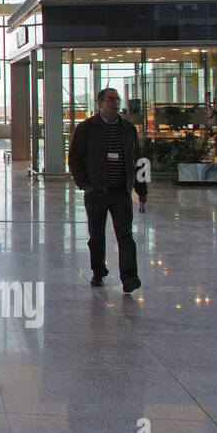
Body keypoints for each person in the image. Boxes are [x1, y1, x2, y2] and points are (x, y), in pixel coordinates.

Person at [68, 87, 148, 293]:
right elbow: (75, 158)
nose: (115, 103)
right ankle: (98, 271)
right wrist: (85, 185)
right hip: (96, 192)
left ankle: (129, 276)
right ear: (100, 103)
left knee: (125, 235)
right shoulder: (87, 128)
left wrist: (141, 188)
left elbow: (139, 159)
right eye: (111, 100)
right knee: (96, 235)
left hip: (121, 191)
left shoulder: (128, 129)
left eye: (117, 100)